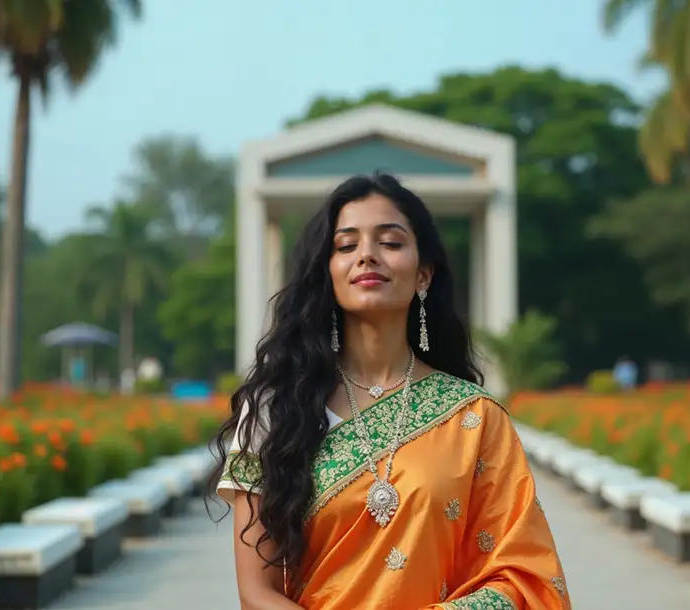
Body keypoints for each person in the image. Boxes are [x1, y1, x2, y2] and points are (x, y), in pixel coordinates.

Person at [211, 173, 572, 609]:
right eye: (346, 246)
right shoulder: (273, 409)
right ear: (329, 273)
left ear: (423, 275)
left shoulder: (473, 418)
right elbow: (256, 593)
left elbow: (525, 574)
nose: (367, 255)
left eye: (390, 242)